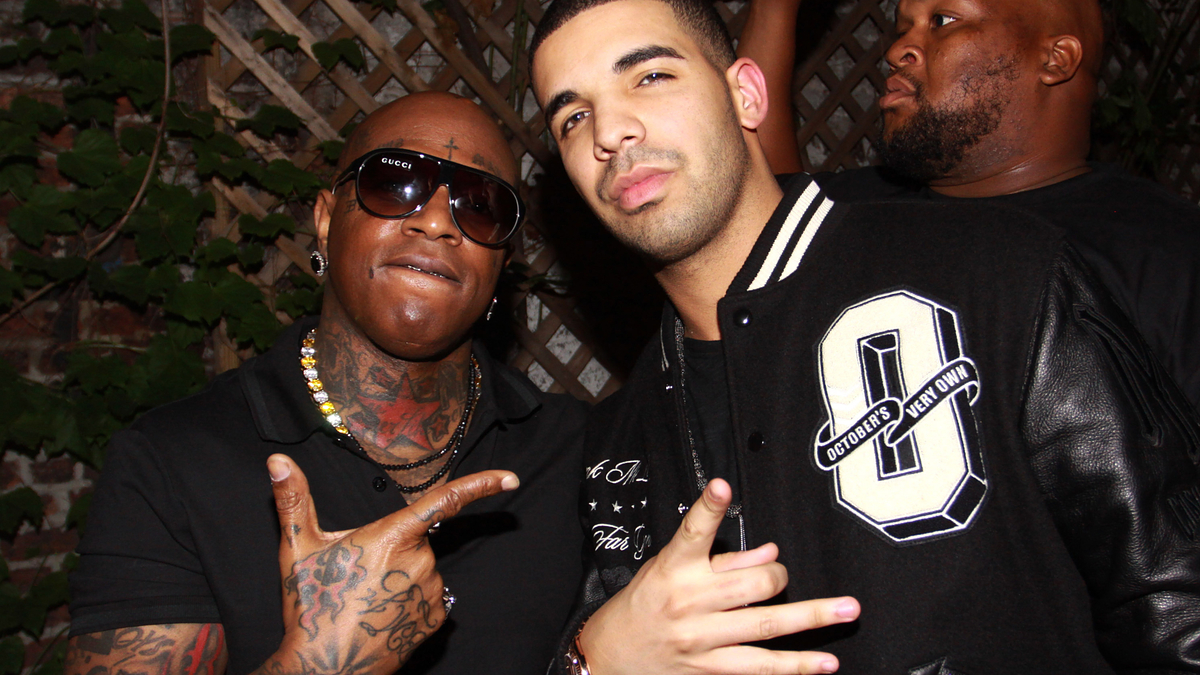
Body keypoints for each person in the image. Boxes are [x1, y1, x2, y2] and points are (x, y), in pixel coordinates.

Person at [529, 0, 1200, 672]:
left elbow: (1170, 600)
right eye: (573, 116)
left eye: (649, 77)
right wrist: (590, 661)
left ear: (746, 93)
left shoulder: (995, 271)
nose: (610, 131)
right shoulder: (619, 437)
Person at [65, 92, 587, 675]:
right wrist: (323, 662)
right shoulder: (172, 462)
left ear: (502, 264)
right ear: (325, 218)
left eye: (481, 204)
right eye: (395, 182)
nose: (438, 221)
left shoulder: (578, 449)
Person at [742, 0, 1200, 412]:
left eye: (942, 21)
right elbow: (758, 188)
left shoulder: (1168, 253)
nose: (898, 50)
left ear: (1055, 59)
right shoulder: (862, 211)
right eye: (902, 28)